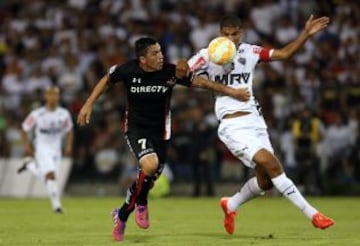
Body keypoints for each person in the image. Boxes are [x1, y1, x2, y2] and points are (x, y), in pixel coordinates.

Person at [77, 37, 250, 242]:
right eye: (155, 53)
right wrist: (88, 104)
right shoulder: (127, 70)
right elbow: (106, 79)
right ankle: (140, 204)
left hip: (161, 133)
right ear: (142, 59)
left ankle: (122, 215)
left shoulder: (170, 72)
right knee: (150, 166)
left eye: (160, 52)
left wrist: (233, 92)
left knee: (148, 180)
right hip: (136, 129)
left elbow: (202, 82)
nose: (161, 56)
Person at [188, 14, 334, 235]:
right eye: (225, 34)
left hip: (255, 121)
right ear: (220, 34)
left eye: (234, 34)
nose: (230, 38)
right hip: (232, 125)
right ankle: (313, 214)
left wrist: (305, 34)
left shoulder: (251, 51)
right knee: (273, 164)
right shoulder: (206, 56)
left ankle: (231, 204)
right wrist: (224, 89)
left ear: (241, 33)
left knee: (265, 181)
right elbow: (184, 74)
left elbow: (284, 54)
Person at [18, 86, 74, 213]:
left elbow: (69, 131)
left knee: (50, 178)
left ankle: (30, 166)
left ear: (58, 96)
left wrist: (68, 145)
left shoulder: (64, 114)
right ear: (46, 96)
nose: (52, 96)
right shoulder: (37, 114)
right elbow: (24, 129)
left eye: (55, 94)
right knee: (50, 175)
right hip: (42, 148)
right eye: (50, 94)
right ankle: (57, 206)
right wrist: (27, 146)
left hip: (56, 149)